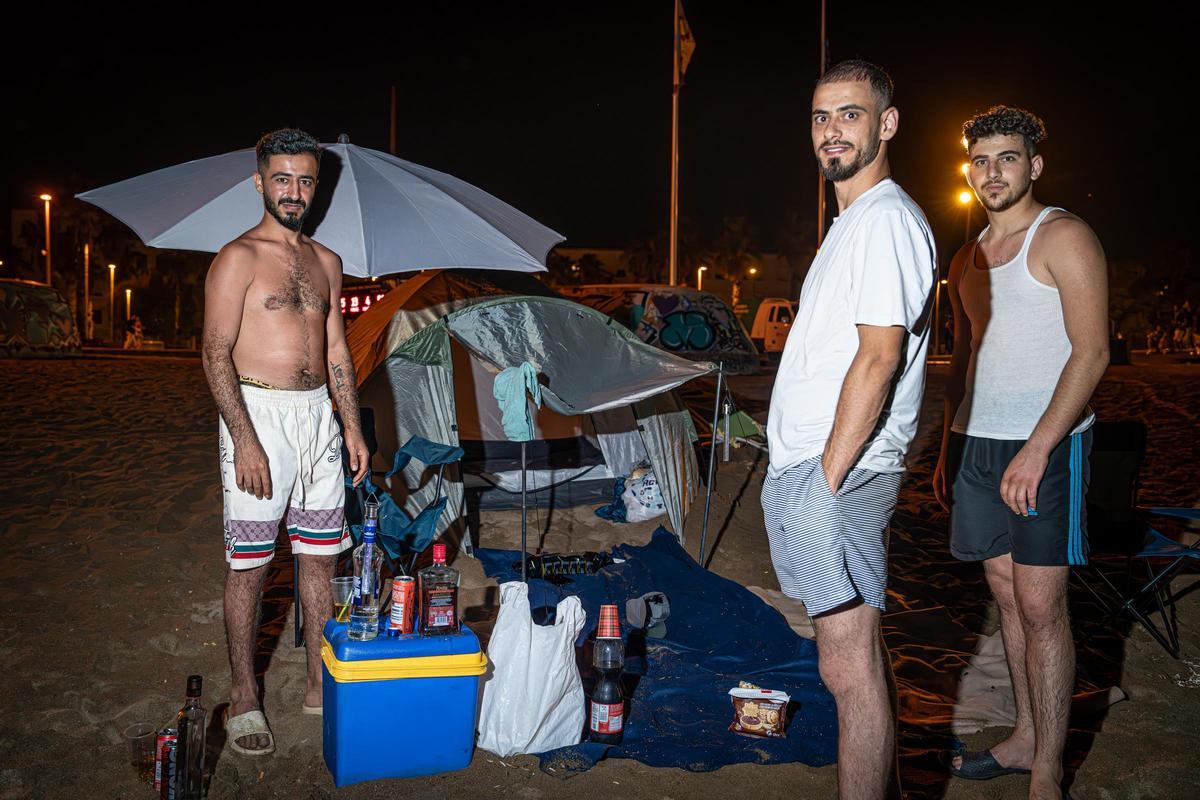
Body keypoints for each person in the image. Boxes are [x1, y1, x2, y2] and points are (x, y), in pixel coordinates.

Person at [761, 60, 935, 800]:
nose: (831, 131)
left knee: (847, 660)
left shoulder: (887, 218)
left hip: (840, 471)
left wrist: (825, 477)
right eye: (820, 117)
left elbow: (879, 355)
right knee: (849, 654)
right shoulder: (853, 222)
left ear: (887, 124)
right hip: (822, 466)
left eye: (850, 114)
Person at [933, 106, 1108, 799]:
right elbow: (965, 357)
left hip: (1047, 444)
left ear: (1033, 165)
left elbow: (1091, 354)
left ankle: (1047, 773)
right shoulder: (966, 257)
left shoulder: (1063, 236)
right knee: (1006, 598)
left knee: (1042, 608)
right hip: (979, 443)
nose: (991, 172)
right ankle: (1025, 738)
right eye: (980, 160)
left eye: (1007, 158)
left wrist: (1039, 448)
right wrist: (951, 447)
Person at [201, 128, 370, 756]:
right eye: (282, 178)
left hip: (317, 417)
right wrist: (244, 439)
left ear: (315, 185)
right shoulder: (237, 258)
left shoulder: (327, 262)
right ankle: (244, 695)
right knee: (250, 565)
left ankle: (319, 685)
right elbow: (214, 353)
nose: (293, 191)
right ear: (260, 181)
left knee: (321, 559)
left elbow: (335, 352)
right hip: (258, 413)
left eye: (304, 180)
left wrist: (350, 425)